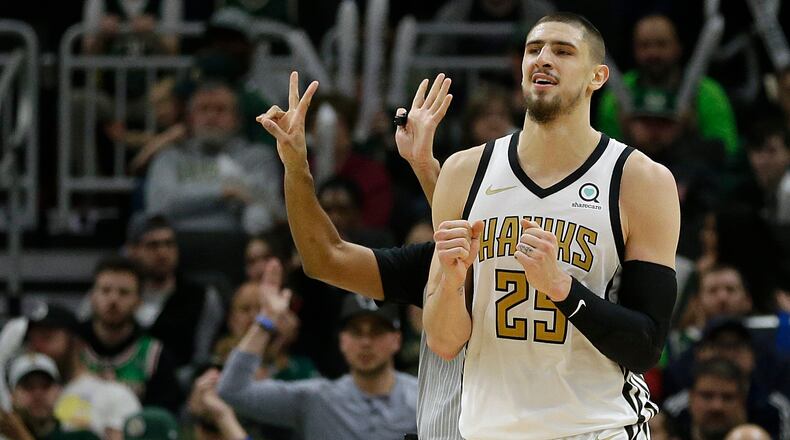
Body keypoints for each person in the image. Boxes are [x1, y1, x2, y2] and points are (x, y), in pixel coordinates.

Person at [423, 13, 679, 439]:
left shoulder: (640, 180)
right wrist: (450, 282)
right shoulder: (463, 171)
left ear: (598, 76)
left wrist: (562, 287)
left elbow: (646, 346)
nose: (543, 59)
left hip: (597, 428)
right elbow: (444, 343)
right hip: (489, 429)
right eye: (533, 50)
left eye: (562, 51)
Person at [256, 71, 462, 438]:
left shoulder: (525, 263)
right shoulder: (428, 264)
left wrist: (426, 167)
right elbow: (325, 259)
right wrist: (297, 166)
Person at [217, 285, 418, 439]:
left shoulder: (423, 398)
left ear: (396, 340)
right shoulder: (317, 399)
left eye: (377, 332)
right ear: (342, 340)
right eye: (356, 332)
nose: (365, 342)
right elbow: (233, 390)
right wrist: (266, 321)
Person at [145, 80, 283, 234]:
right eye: (203, 109)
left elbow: (273, 208)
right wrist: (224, 192)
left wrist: (188, 198)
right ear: (190, 119)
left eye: (220, 110)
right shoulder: (170, 158)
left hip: (240, 246)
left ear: (237, 119)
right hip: (179, 246)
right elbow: (159, 206)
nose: (211, 116)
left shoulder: (258, 156)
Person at [596, 14, 739, 157]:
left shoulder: (708, 93)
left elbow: (729, 152)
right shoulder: (615, 98)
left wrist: (691, 131)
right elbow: (603, 156)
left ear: (678, 47)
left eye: (662, 44)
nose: (653, 53)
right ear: (634, 50)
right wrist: (626, 133)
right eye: (645, 46)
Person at [24, 303, 141, 440]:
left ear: (75, 342)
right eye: (32, 340)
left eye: (47, 337)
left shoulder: (112, 394)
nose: (37, 347)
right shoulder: (25, 399)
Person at [80, 255, 181, 413]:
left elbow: (163, 417)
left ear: (139, 301)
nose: (113, 299)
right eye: (105, 291)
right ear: (92, 297)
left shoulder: (155, 355)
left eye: (124, 292)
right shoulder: (71, 344)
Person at [125, 213, 225, 372]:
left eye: (169, 244)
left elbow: (202, 359)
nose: (163, 253)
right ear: (133, 250)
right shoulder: (117, 293)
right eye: (153, 245)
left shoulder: (203, 297)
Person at [5, 353, 99, 440]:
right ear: (12, 395)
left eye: (45, 385)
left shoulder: (83, 437)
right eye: (28, 386)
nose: (38, 394)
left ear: (58, 391)